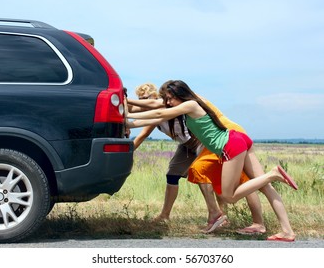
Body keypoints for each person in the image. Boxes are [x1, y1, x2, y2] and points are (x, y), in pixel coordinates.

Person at [127, 80, 298, 242]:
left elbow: (159, 112)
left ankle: (272, 175)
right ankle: (287, 231)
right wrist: (126, 107)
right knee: (264, 187)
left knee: (228, 195)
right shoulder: (188, 103)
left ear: (179, 94)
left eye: (170, 98)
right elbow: (156, 106)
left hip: (230, 143)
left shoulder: (190, 105)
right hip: (238, 137)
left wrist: (126, 116)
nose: (168, 102)